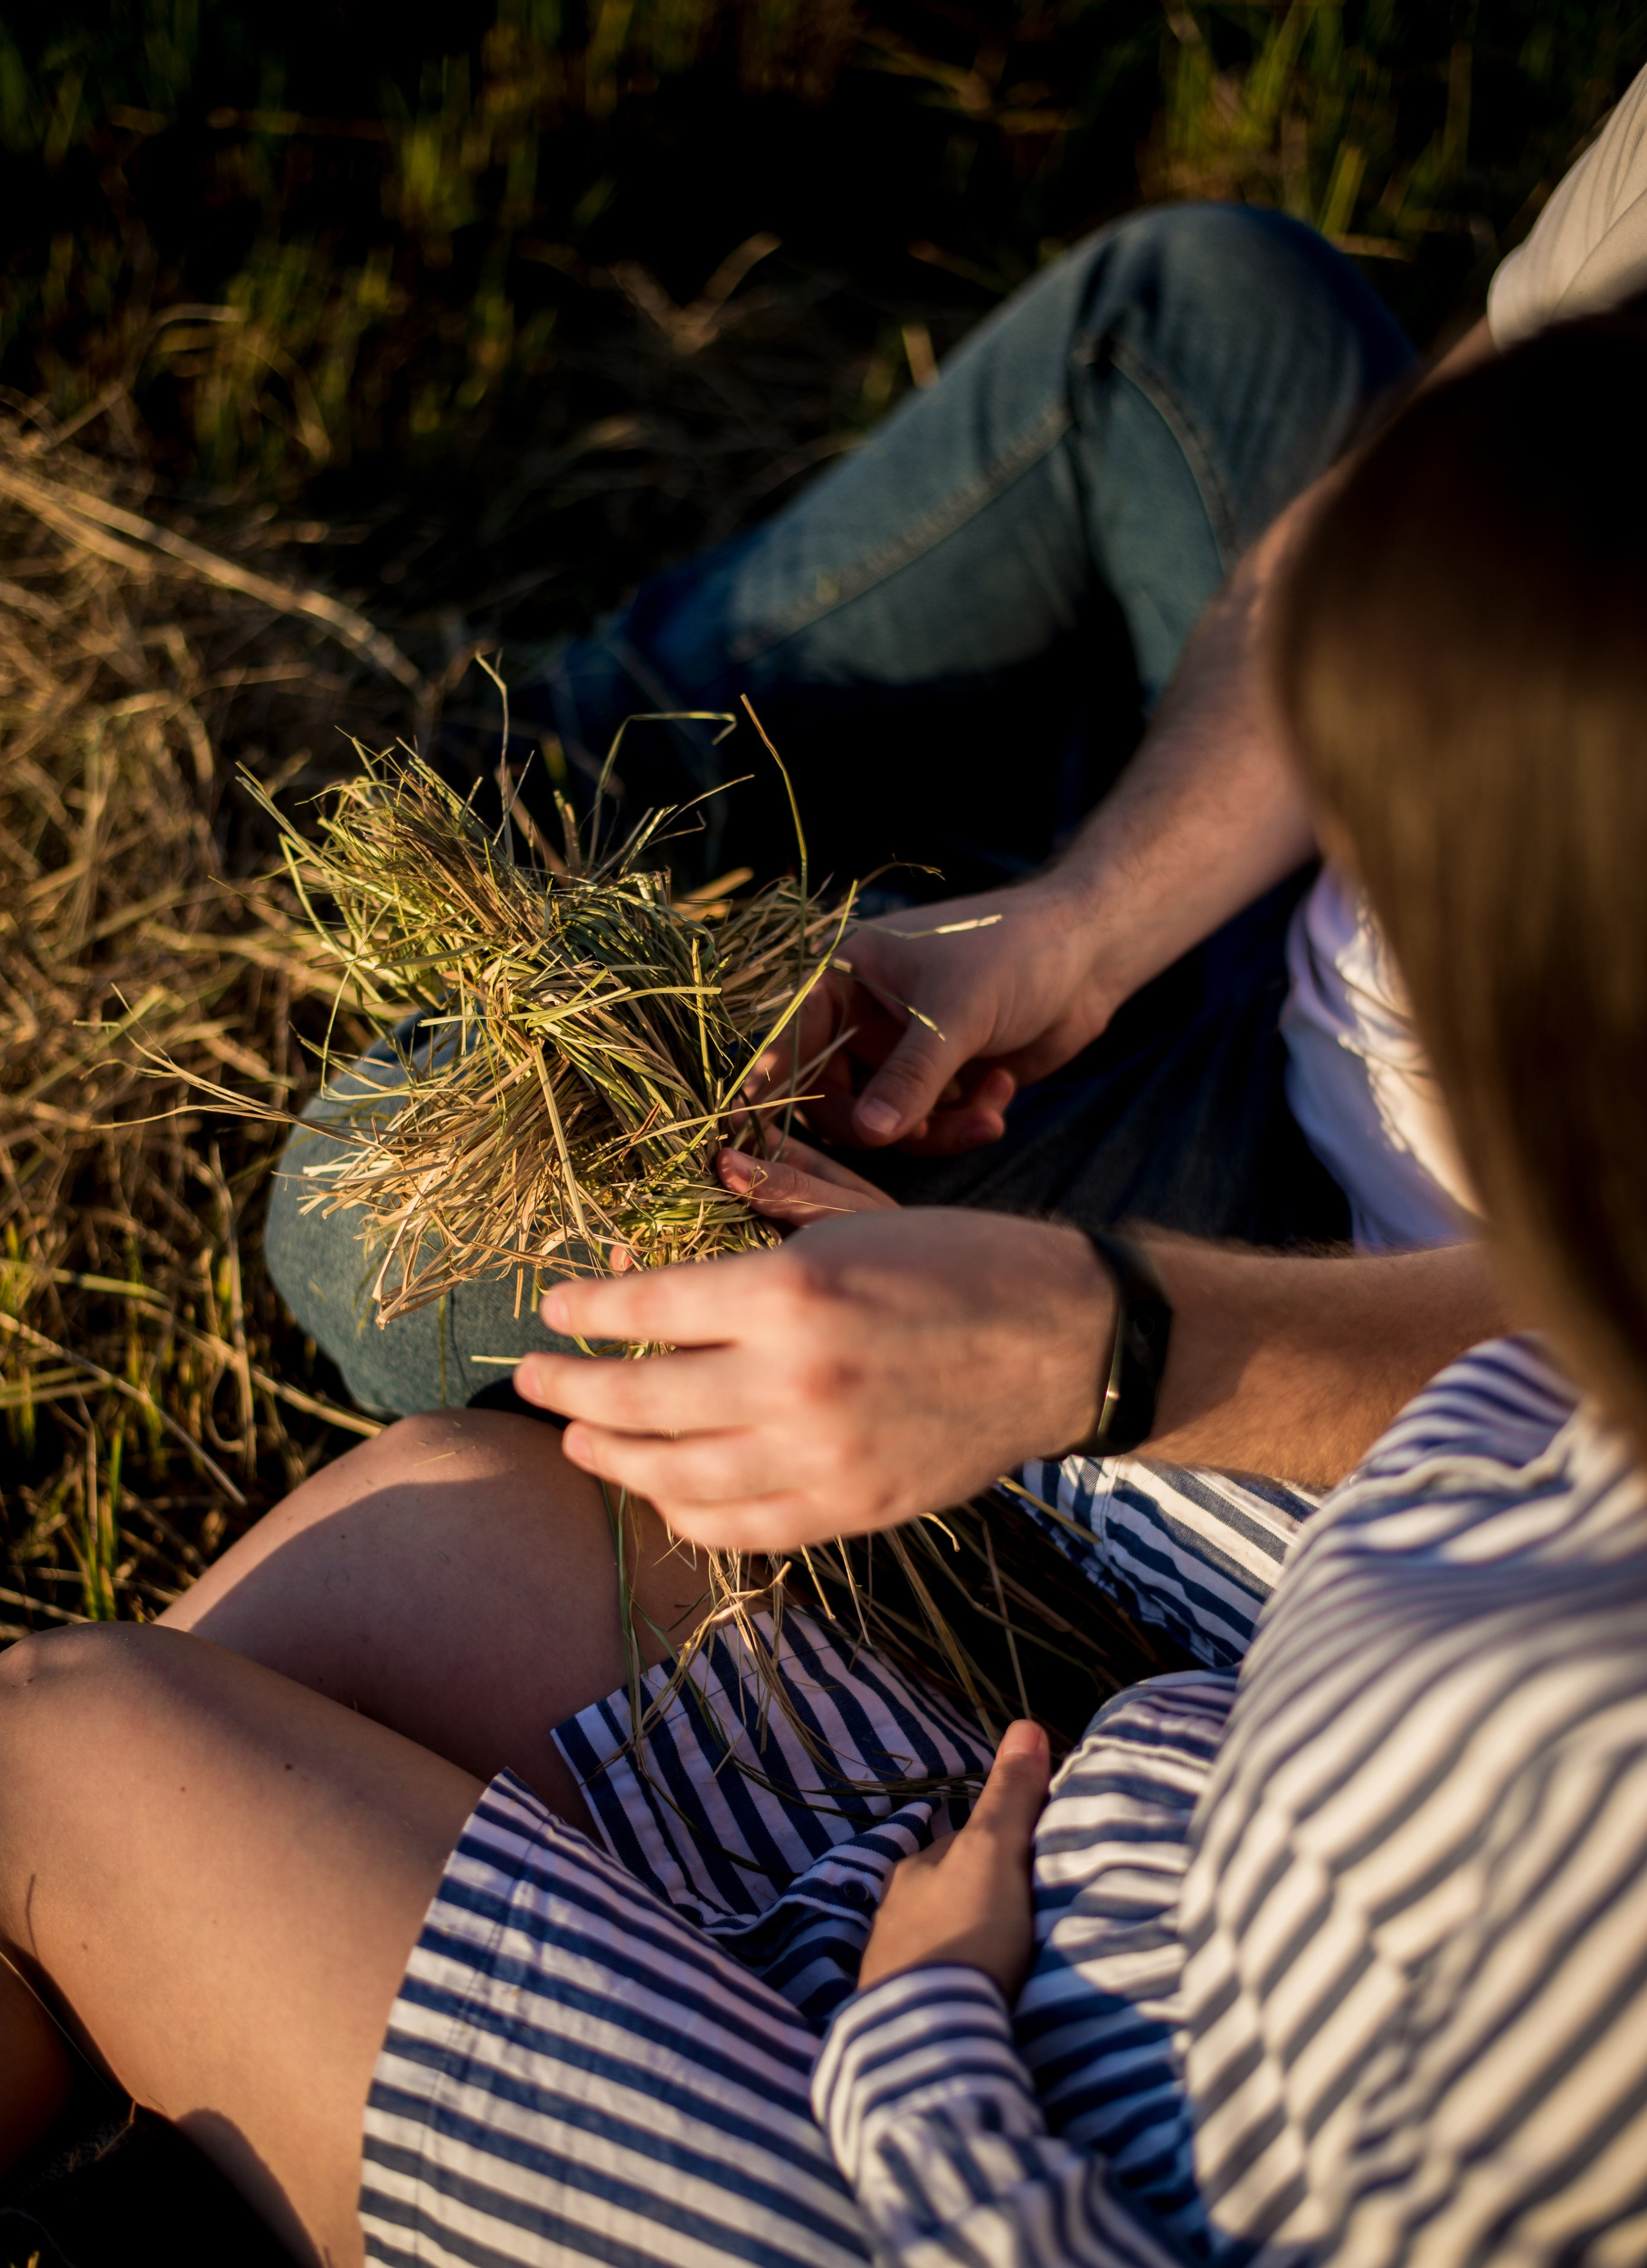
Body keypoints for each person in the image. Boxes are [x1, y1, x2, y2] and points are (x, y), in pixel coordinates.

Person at [5, 303, 1647, 2268]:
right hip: (1105, 1883)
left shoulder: (1590, 1817)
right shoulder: (1576, 1430)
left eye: (1417, 924)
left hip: (928, 2262)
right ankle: (206, 2254)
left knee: (59, 1742)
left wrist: (932, 2040)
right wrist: (1054, 1354)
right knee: (412, 1544)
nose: (1372, 942)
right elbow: (1413, 1532)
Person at [262, 61, 1647, 1467]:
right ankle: (578, 768)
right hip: (1349, 859)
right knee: (1200, 314)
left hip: (1340, 1267)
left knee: (381, 1212)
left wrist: (1103, 1346)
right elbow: (1438, 482)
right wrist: (1091, 918)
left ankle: (922, 827)